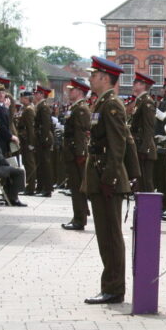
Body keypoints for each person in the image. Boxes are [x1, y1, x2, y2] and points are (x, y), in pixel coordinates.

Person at [83, 57, 140, 305]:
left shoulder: (111, 104)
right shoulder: (102, 103)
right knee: (105, 235)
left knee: (111, 235)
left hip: (107, 178)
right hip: (100, 175)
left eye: (94, 75)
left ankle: (114, 288)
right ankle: (110, 285)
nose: (90, 78)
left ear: (105, 78)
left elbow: (119, 144)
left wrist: (110, 178)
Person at [61, 77, 92, 230]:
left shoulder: (80, 109)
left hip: (76, 153)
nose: (69, 92)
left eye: (72, 89)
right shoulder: (76, 107)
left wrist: (80, 154)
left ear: (80, 91)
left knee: (78, 187)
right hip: (72, 152)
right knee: (75, 186)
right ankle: (79, 215)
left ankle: (79, 219)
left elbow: (81, 133)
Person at [0, 118, 27, 206]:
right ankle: (13, 198)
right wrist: (8, 163)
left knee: (15, 170)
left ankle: (10, 195)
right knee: (19, 172)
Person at [32, 85, 56, 197]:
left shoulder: (44, 106)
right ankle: (41, 187)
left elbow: (46, 124)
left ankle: (47, 189)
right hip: (41, 136)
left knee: (45, 164)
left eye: (37, 93)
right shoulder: (40, 106)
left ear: (41, 94)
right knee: (41, 163)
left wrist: (45, 138)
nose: (34, 95)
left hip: (44, 137)